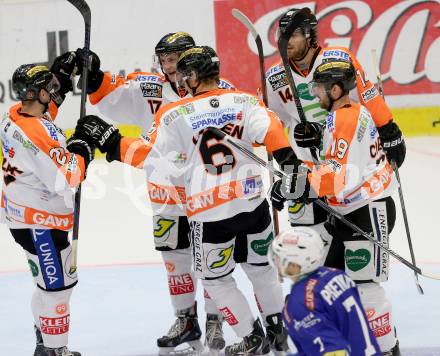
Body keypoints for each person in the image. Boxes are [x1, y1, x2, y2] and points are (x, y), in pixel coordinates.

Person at [70, 45, 295, 355]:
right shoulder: (245, 100)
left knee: (215, 280)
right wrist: (291, 165)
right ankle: (277, 331)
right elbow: (272, 131)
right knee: (262, 269)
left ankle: (251, 336)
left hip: (210, 214)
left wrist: (111, 140)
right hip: (254, 206)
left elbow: (152, 158)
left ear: (191, 76)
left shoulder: (175, 113)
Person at [52, 32, 235, 354]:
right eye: (165, 59)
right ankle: (186, 320)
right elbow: (111, 92)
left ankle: (214, 320)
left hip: (208, 192)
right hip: (165, 191)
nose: (170, 66)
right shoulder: (152, 87)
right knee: (174, 259)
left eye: (175, 59)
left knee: (209, 261)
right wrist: (92, 72)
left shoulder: (220, 91)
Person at [270, 59, 400, 355]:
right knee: (335, 280)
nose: (315, 94)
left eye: (319, 88)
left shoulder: (345, 119)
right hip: (350, 212)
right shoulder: (344, 115)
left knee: (365, 287)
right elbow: (335, 163)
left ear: (337, 89)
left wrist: (297, 183)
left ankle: (390, 349)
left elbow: (336, 178)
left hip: (368, 211)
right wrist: (314, 149)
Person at [1, 63, 94, 356]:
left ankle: (44, 345)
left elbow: (44, 120)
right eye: (50, 89)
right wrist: (82, 149)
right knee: (57, 289)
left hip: (23, 217)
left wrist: (63, 79)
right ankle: (55, 351)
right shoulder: (39, 135)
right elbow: (69, 177)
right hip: (40, 222)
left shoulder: (14, 115)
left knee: (45, 285)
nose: (53, 93)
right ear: (39, 92)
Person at [269, 226, 382, 355]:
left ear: (295, 263)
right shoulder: (337, 275)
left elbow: (333, 351)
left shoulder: (300, 302)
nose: (275, 261)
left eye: (279, 257)